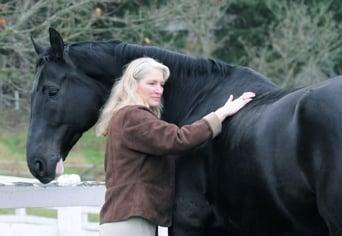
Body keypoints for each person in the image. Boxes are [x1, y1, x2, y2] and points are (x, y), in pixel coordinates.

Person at [95, 57, 255, 236]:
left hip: (130, 218)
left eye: (161, 84)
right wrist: (220, 114)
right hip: (129, 221)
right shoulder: (133, 116)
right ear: (133, 85)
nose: (158, 90)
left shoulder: (125, 116)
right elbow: (178, 139)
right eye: (152, 83)